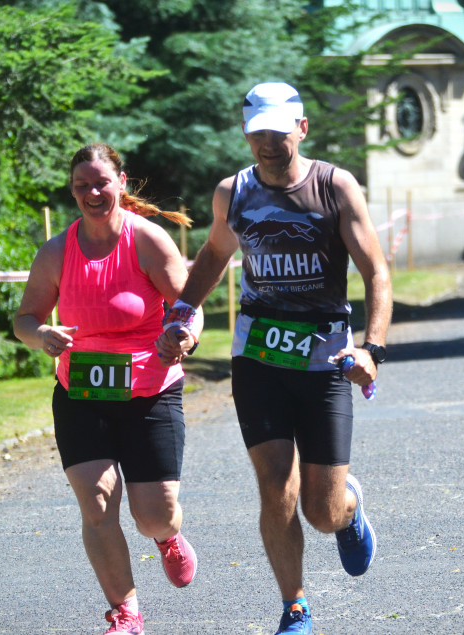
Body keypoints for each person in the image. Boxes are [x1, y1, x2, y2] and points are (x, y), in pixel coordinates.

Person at [167, 82, 392, 635]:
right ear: (246, 134)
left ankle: (350, 508)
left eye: (278, 131)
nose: (268, 142)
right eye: (257, 132)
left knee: (320, 509)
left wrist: (372, 348)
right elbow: (215, 254)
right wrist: (180, 313)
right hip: (260, 355)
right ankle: (295, 607)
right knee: (275, 485)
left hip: (326, 357)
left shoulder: (335, 186)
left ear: (302, 128)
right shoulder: (233, 192)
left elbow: (376, 273)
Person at [14, 142, 203, 635]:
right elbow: (25, 317)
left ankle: (168, 537)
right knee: (97, 505)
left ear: (121, 182)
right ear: (72, 192)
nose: (92, 192)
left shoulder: (147, 240)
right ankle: (127, 612)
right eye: (82, 186)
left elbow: (189, 306)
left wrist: (184, 335)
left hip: (150, 389)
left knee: (153, 516)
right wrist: (41, 335)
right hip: (81, 391)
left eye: (101, 182)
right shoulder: (56, 251)